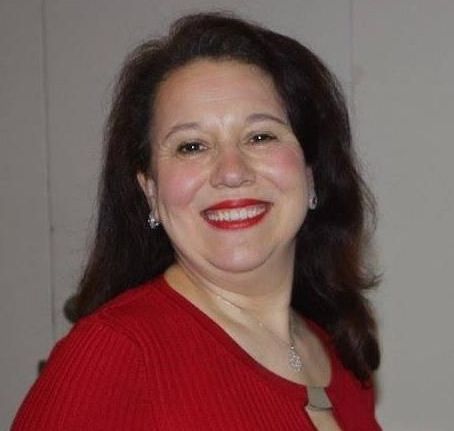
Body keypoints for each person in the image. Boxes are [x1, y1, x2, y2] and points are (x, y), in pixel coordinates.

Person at [12, 12, 381, 430]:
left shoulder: (342, 357)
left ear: (310, 172)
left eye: (260, 136)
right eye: (191, 146)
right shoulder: (115, 353)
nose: (231, 172)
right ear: (150, 190)